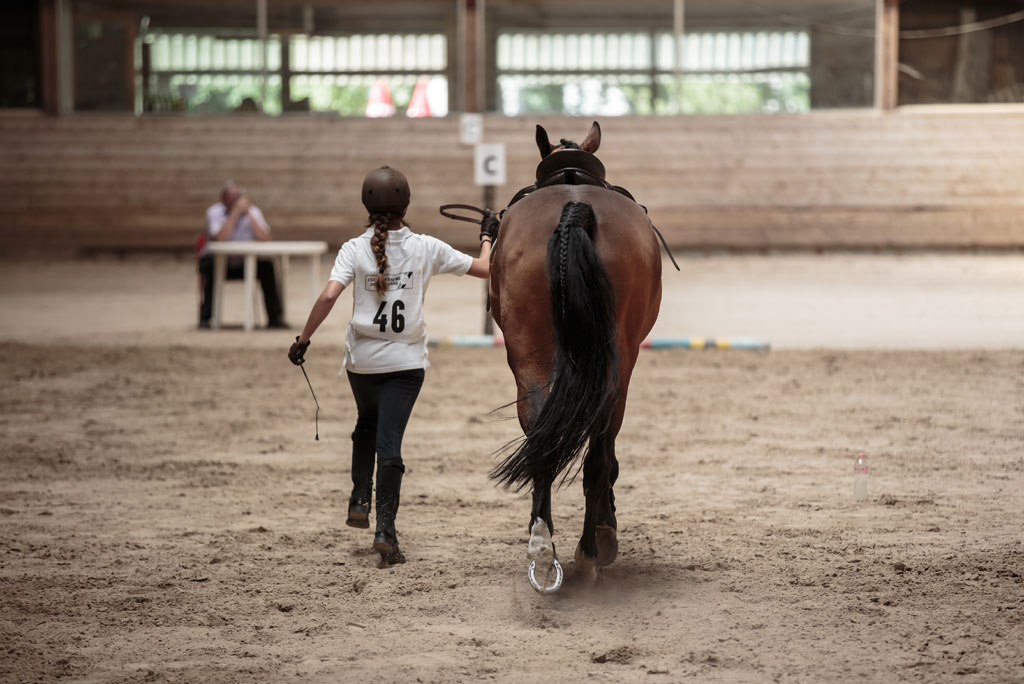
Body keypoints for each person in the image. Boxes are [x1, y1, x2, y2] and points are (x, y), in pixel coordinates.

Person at [288, 166, 497, 566]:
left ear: (366, 205)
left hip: (362, 363)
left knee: (366, 423)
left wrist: (303, 340)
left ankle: (359, 498)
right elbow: (485, 269)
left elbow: (330, 296)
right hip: (406, 363)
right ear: (406, 204)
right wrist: (487, 236)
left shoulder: (353, 248)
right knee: (390, 444)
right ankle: (385, 530)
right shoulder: (426, 247)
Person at [198, 181, 286, 329]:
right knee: (210, 268)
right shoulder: (214, 212)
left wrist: (249, 215)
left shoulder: (253, 212)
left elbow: (265, 237)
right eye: (229, 196)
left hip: (246, 262)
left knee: (267, 267)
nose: (233, 200)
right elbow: (220, 238)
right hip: (220, 262)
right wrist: (234, 214)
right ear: (222, 198)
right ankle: (206, 318)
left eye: (237, 197)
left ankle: (275, 318)